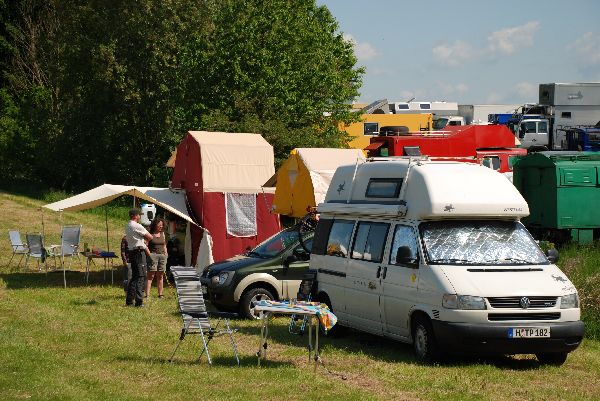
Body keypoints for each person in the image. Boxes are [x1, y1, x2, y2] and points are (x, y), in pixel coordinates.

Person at [125, 209, 153, 307]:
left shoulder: (128, 225)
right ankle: (139, 301)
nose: (140, 217)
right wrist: (145, 239)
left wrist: (142, 239)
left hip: (132, 251)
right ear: (135, 216)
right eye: (139, 215)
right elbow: (150, 237)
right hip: (138, 252)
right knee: (141, 277)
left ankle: (129, 301)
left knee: (134, 277)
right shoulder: (137, 225)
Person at [145, 218, 168, 298]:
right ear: (155, 226)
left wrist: (166, 253)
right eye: (159, 225)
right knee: (150, 276)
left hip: (162, 256)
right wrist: (150, 255)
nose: (161, 227)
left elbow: (164, 244)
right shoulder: (150, 234)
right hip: (153, 256)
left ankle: (160, 294)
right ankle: (147, 295)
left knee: (160, 275)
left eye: (162, 225)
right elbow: (145, 245)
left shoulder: (163, 234)